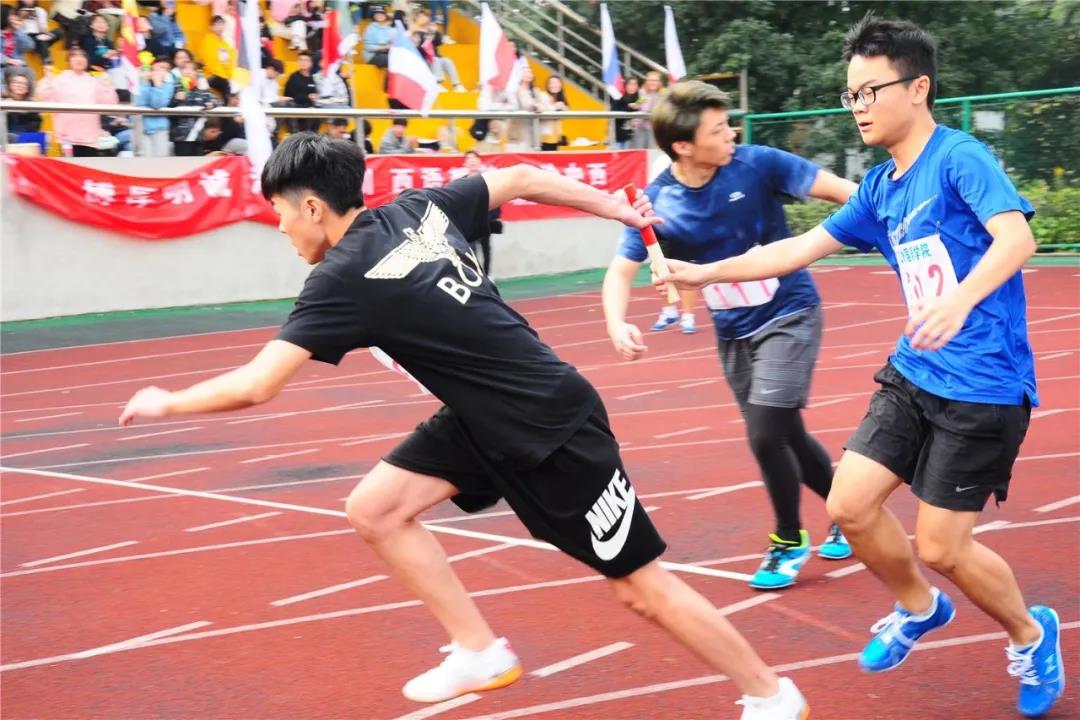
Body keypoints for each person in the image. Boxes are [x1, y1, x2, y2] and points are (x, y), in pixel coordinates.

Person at [118, 132, 810, 720]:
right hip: (482, 418)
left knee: (639, 587)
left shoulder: (340, 278)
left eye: (278, 214)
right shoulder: (418, 209)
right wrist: (614, 207)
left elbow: (256, 386)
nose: (279, 230)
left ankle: (770, 694)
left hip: (549, 424)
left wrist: (167, 402)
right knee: (376, 509)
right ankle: (479, 652)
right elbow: (523, 176)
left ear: (311, 207)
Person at [657, 14, 1063, 718]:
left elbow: (1016, 238)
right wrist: (702, 271)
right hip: (914, 371)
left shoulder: (959, 157)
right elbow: (790, 251)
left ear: (918, 88)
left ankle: (1032, 635)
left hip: (984, 385)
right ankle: (919, 607)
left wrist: (960, 301)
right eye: (851, 95)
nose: (858, 107)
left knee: (942, 546)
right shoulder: (879, 187)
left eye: (870, 91)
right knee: (847, 504)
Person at [604, 80, 859, 591]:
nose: (731, 136)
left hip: (789, 313)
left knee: (765, 431)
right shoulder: (658, 202)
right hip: (734, 331)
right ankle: (851, 512)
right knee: (784, 432)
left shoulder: (758, 164)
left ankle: (788, 539)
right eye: (718, 130)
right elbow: (619, 271)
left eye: (729, 125)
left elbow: (848, 193)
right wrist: (616, 320)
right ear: (683, 146)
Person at [463, 149, 500, 274]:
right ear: (465, 163)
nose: (472, 161)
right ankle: (475, 276)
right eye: (469, 159)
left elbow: (496, 198)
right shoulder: (461, 183)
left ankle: (487, 275)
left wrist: (494, 217)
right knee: (471, 250)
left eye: (474, 158)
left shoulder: (488, 180)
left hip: (485, 221)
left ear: (479, 161)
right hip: (469, 224)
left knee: (486, 249)